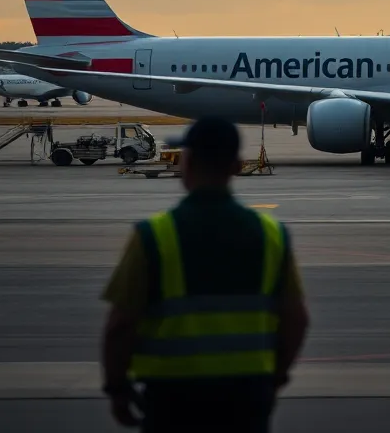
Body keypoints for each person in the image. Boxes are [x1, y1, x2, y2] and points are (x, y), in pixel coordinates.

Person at [101, 116, 310, 432]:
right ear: (237, 166)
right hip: (246, 397)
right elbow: (297, 319)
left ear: (186, 163)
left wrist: (117, 389)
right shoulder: (272, 234)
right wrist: (274, 377)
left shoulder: (153, 235)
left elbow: (119, 326)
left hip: (172, 399)